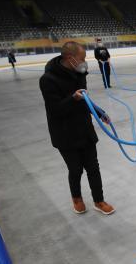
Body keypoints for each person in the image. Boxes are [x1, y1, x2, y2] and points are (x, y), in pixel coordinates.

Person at [39, 41, 116, 215]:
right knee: (75, 169)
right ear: (70, 58)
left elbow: (85, 99)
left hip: (84, 129)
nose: (84, 62)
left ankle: (99, 200)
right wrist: (72, 98)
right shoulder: (48, 80)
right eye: (82, 58)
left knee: (93, 167)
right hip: (65, 133)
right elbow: (54, 110)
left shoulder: (79, 73)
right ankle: (77, 199)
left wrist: (99, 112)